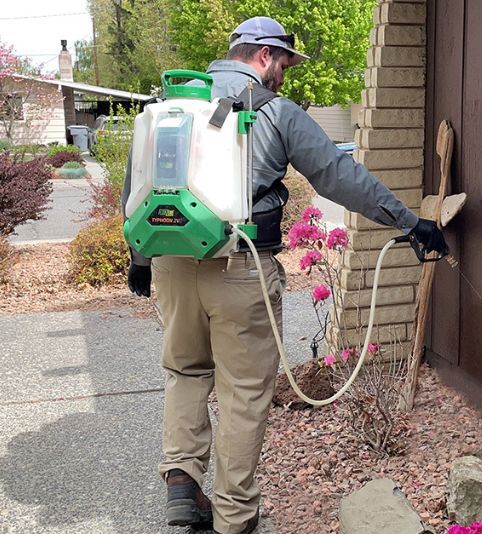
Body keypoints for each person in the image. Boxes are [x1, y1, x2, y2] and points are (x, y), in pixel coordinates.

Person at [123, 16, 448, 534]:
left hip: (171, 264)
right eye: (284, 65)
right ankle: (234, 518)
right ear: (264, 56)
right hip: (240, 265)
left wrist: (140, 261)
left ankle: (182, 479)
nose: (285, 77)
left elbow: (138, 187)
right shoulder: (275, 111)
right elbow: (342, 177)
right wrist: (409, 222)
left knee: (185, 371)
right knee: (243, 392)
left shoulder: (170, 106)